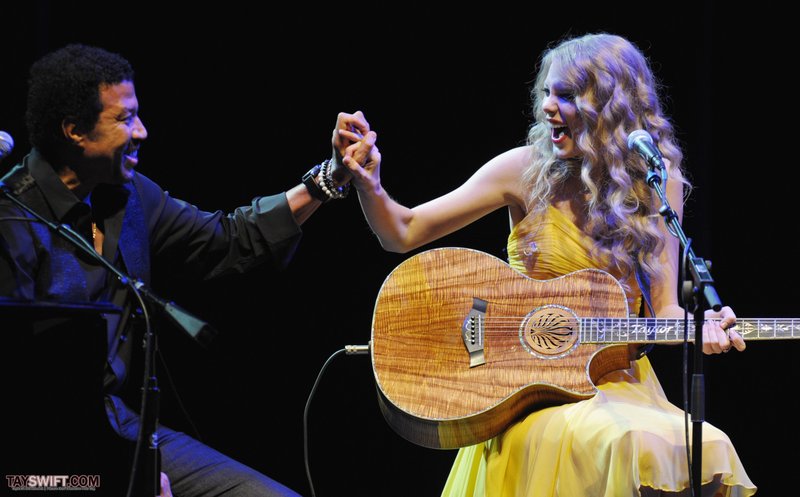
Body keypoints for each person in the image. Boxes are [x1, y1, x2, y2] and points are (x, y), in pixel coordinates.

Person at [340, 33, 757, 496]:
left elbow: (664, 313)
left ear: (610, 108)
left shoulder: (657, 185)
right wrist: (370, 185)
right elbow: (404, 231)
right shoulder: (524, 170)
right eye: (546, 93)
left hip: (618, 382)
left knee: (710, 445)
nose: (548, 108)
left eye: (566, 96)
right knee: (626, 443)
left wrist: (703, 326)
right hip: (530, 389)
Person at [0, 44, 371, 496]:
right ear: (74, 130)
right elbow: (21, 394)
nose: (143, 131)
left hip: (119, 425)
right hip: (39, 451)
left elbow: (226, 238)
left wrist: (327, 178)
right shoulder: (11, 218)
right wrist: (116, 475)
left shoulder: (130, 196)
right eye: (124, 119)